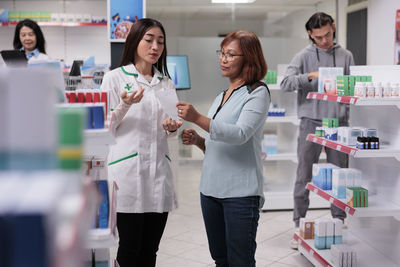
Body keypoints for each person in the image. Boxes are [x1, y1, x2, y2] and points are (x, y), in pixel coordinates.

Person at [177, 30, 270, 267]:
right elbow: (217, 142)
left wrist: (196, 117)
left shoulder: (257, 92)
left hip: (240, 194)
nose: (223, 59)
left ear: (248, 58)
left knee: (240, 260)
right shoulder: (221, 96)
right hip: (210, 191)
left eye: (231, 54)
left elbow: (239, 135)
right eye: (222, 53)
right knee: (220, 258)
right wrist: (198, 140)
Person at [100, 18, 182, 267]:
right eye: (149, 40)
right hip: (127, 176)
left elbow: (172, 127)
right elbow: (105, 128)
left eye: (160, 41)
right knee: (129, 249)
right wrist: (125, 104)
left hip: (158, 173)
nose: (155, 46)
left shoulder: (166, 83)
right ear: (135, 41)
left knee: (150, 252)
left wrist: (171, 128)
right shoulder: (114, 78)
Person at [280, 12, 354, 249]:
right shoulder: (303, 56)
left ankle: (338, 223)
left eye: (328, 35)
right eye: (318, 37)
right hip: (311, 123)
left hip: (339, 123)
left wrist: (346, 113)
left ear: (333, 27)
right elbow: (285, 83)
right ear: (310, 34)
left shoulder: (346, 55)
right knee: (304, 175)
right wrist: (308, 76)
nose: (324, 41)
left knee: (340, 176)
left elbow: (352, 89)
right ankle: (298, 224)